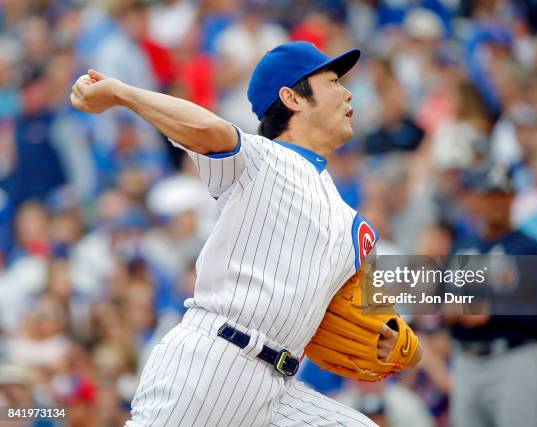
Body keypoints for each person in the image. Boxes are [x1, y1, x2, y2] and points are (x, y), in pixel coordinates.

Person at [71, 41, 403, 426]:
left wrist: (398, 335)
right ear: (291, 97)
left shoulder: (350, 220)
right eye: (332, 81)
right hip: (213, 363)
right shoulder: (260, 159)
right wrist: (120, 92)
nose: (347, 91)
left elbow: (366, 300)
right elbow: (207, 129)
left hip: (278, 388)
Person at [445, 164, 537, 427]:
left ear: (512, 198)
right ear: (475, 199)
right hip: (466, 360)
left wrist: (494, 308)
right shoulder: (463, 247)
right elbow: (444, 297)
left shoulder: (530, 249)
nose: (494, 203)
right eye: (488, 195)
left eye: (500, 195)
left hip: (515, 358)